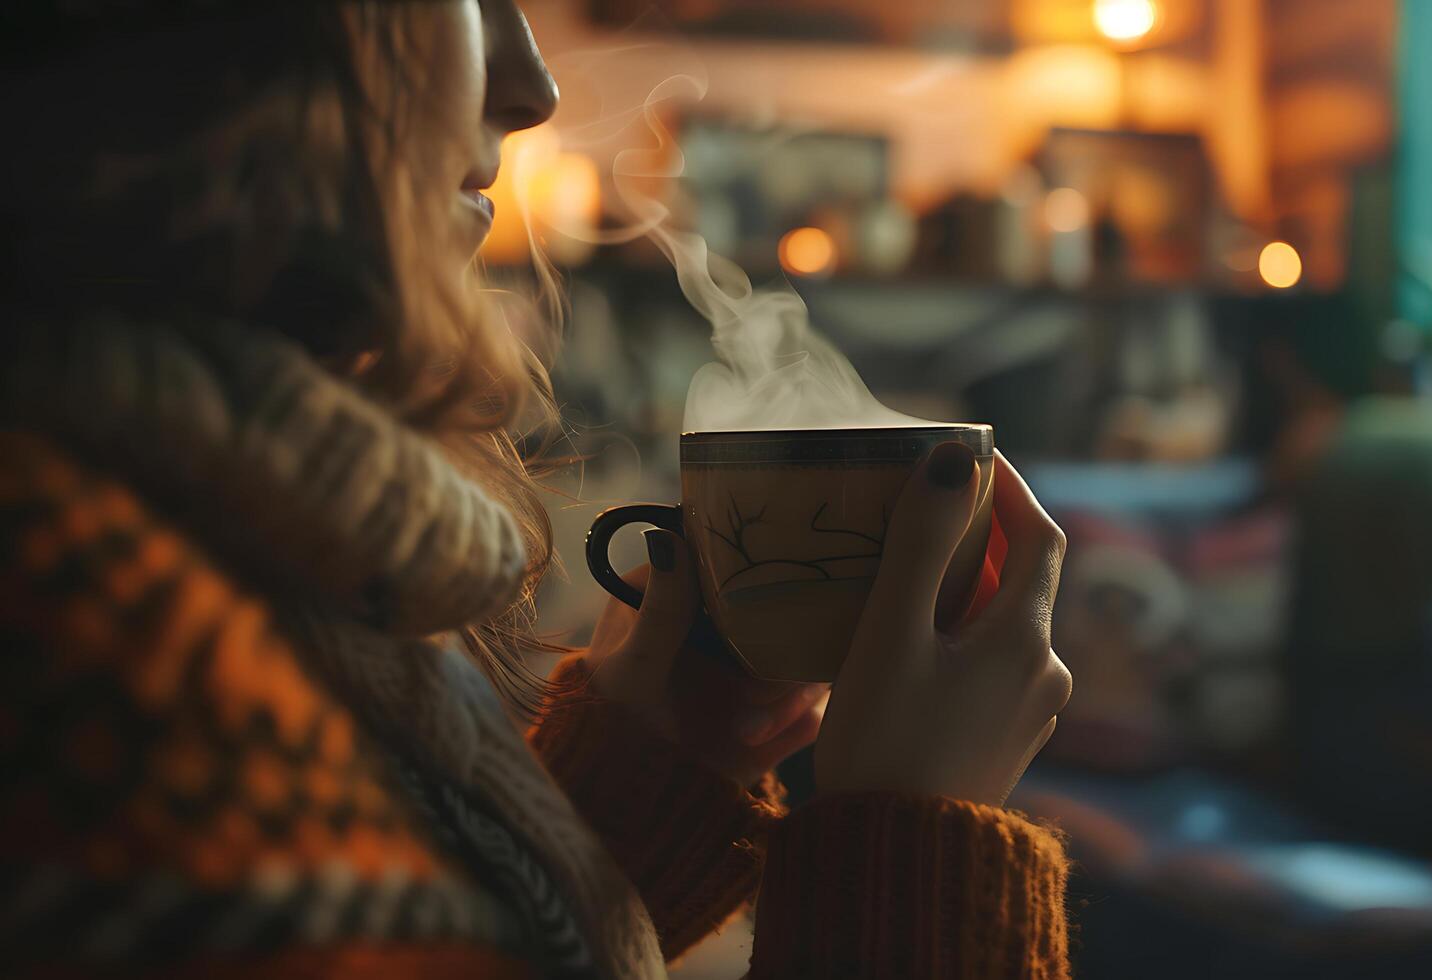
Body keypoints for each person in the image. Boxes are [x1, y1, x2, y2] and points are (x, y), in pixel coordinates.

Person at [0, 2, 1074, 978]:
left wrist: (631, 794)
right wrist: (914, 854)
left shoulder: (221, 537)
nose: (532, 83)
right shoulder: (84, 632)